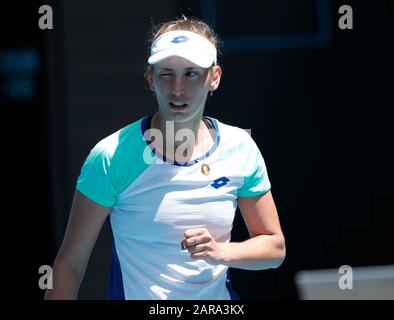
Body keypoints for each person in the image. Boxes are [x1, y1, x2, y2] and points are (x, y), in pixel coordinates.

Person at [45, 16, 286, 300]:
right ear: (150, 78)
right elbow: (69, 265)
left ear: (215, 78)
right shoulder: (110, 156)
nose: (177, 89)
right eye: (166, 73)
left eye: (191, 73)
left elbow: (274, 249)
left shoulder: (240, 147)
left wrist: (222, 252)